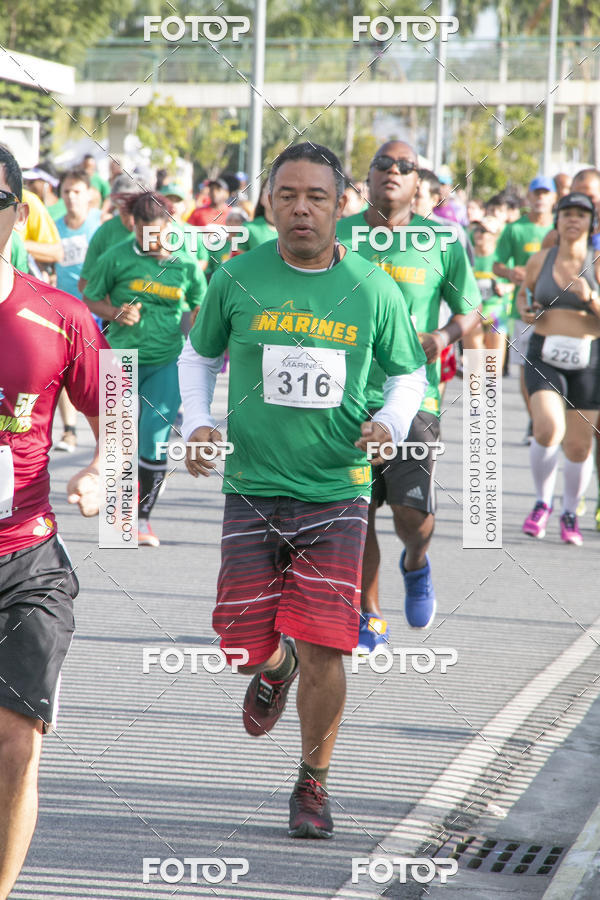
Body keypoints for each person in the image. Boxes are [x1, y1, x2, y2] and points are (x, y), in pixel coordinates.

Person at [178, 142, 427, 839]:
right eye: (287, 195)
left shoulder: (373, 288)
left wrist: (390, 420)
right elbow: (200, 354)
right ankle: (272, 665)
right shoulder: (236, 277)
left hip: (336, 491)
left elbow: (408, 372)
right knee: (238, 642)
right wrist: (197, 422)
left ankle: (313, 784)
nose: (301, 209)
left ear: (341, 204)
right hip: (252, 486)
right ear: (267, 202)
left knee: (328, 647)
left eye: (316, 196)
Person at [0, 143, 106, 900]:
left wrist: (106, 472)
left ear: (15, 211)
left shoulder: (59, 315)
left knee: (14, 746)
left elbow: (123, 417)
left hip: (26, 562)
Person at [336, 140, 481, 648]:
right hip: (346, 397)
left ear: (418, 183)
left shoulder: (442, 239)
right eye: (383, 164)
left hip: (415, 397)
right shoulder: (339, 236)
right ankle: (369, 612)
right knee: (357, 511)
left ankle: (416, 562)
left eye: (406, 167)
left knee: (411, 519)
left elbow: (470, 310)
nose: (393, 172)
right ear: (368, 176)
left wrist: (440, 338)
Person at [83, 191, 207, 547]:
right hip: (119, 358)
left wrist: (202, 342)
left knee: (154, 436)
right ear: (133, 225)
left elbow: (201, 304)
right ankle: (119, 520)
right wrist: (114, 312)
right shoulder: (115, 257)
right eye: (142, 233)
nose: (149, 241)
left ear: (168, 227)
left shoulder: (184, 263)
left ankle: (141, 520)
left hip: (167, 359)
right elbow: (90, 297)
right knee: (120, 438)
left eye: (156, 233)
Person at [517, 192, 600, 545]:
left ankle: (569, 512)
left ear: (590, 223)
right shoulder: (540, 259)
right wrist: (525, 309)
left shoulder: (596, 262)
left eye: (581, 214)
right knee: (548, 429)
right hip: (544, 353)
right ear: (557, 219)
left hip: (589, 359)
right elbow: (523, 295)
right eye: (567, 213)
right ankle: (541, 504)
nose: (573, 219)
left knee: (579, 447)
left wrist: (590, 297)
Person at [493, 176, 556, 443]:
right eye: (536, 193)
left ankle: (552, 418)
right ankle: (535, 419)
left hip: (557, 313)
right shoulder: (515, 229)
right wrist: (511, 272)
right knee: (525, 367)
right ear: (529, 197)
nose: (540, 198)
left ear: (553, 197)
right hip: (524, 311)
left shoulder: (559, 227)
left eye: (546, 193)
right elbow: (497, 265)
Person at [54, 169, 103, 452]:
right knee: (62, 370)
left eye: (77, 192)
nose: (71, 198)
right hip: (61, 309)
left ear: (88, 195)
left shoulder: (99, 226)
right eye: (66, 193)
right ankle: (69, 430)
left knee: (98, 376)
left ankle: (112, 441)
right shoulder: (55, 227)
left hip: (95, 309)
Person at [78, 172, 152, 295]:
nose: (131, 221)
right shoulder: (105, 231)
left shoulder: (161, 231)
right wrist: (111, 308)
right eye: (123, 213)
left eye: (136, 213)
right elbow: (85, 283)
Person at [463, 216, 511, 370]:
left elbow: (516, 282)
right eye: (477, 229)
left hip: (496, 313)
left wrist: (506, 287)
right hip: (472, 312)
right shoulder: (466, 256)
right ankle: (473, 394)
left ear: (494, 236)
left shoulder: (502, 259)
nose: (479, 234)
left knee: (493, 369)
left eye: (484, 231)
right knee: (473, 364)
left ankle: (490, 393)